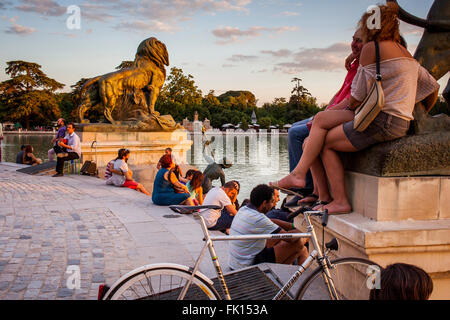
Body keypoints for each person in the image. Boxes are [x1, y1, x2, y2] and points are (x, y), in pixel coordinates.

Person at [271, 3, 440, 215]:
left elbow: (356, 98)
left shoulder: (373, 48)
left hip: (380, 120)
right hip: (399, 121)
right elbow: (432, 86)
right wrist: (413, 108)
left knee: (324, 142)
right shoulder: (404, 52)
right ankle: (307, 181)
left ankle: (337, 199)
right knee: (321, 121)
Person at [286, 29, 364, 207]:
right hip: (333, 110)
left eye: (359, 41)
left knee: (296, 134)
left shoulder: (364, 67)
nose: (353, 44)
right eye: (353, 40)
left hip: (343, 113)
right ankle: (304, 185)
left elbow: (349, 100)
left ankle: (305, 188)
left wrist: (326, 115)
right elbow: (340, 93)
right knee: (294, 127)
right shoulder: (354, 64)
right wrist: (325, 110)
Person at [228, 184, 308, 270]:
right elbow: (290, 238)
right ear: (264, 203)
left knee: (302, 250)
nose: (273, 205)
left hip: (236, 262)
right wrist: (304, 229)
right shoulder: (258, 218)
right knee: (298, 243)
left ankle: (285, 275)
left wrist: (292, 226)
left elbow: (271, 221)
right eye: (271, 201)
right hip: (247, 264)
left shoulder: (244, 209)